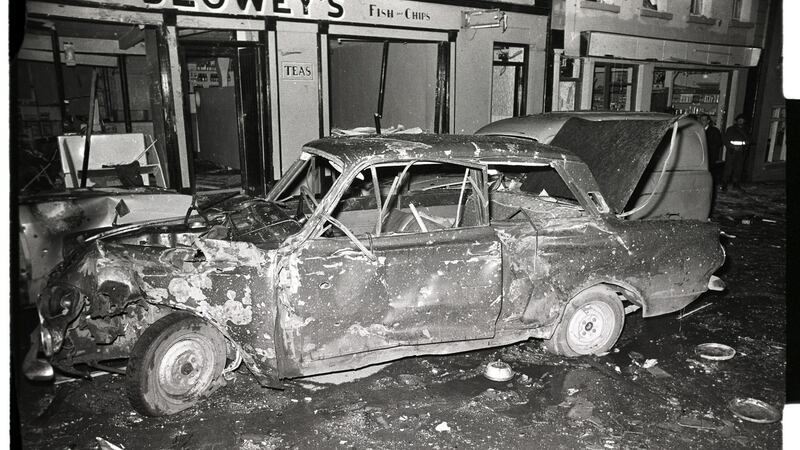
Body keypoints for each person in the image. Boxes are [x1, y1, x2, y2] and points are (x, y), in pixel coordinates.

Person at [721, 113, 752, 191]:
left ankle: (736, 183)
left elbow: (748, 140)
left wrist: (745, 148)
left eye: (742, 120)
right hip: (732, 151)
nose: (741, 121)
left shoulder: (745, 130)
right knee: (728, 168)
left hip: (741, 152)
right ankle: (724, 184)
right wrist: (732, 147)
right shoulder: (731, 129)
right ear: (737, 121)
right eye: (739, 120)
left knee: (738, 169)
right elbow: (726, 140)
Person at [699, 114, 724, 188]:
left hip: (710, 155)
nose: (702, 121)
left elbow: (718, 143)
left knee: (710, 171)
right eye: (701, 120)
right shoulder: (698, 129)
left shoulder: (714, 131)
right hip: (700, 154)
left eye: (704, 120)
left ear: (708, 121)